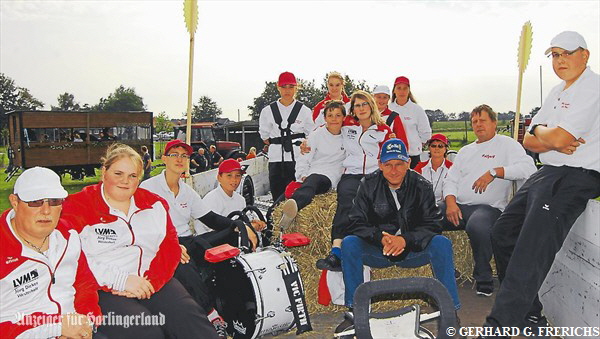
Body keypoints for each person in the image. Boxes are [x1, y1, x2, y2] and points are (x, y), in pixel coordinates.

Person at [480, 31, 600, 335]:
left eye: (567, 53)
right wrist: (553, 138)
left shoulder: (593, 87)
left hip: (577, 175)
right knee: (503, 232)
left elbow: (549, 136)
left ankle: (500, 325)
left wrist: (549, 135)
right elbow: (529, 139)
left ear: (585, 55)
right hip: (549, 172)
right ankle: (529, 314)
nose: (560, 61)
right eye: (555, 55)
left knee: (530, 249)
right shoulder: (558, 91)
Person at [62, 143, 220, 339]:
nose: (125, 181)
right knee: (145, 330)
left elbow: (169, 248)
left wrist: (150, 282)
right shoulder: (78, 206)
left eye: (132, 176)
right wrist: (120, 281)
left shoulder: (154, 204)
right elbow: (70, 256)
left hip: (150, 280)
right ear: (104, 172)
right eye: (118, 173)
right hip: (100, 287)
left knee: (190, 319)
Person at [335, 139, 460, 335]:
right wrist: (380, 238)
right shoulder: (367, 184)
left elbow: (434, 223)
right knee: (350, 243)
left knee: (441, 243)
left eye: (399, 164)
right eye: (388, 165)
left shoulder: (422, 185)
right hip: (379, 250)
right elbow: (355, 221)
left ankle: (450, 311)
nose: (394, 170)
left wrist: (406, 240)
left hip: (412, 251)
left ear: (408, 163)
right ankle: (354, 311)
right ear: (380, 165)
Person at [139, 141, 255, 336]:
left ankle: (243, 305)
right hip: (161, 243)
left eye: (184, 156)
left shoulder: (187, 191)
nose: (179, 159)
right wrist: (170, 245)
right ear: (164, 159)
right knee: (185, 266)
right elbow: (141, 224)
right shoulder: (148, 187)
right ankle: (211, 315)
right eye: (174, 154)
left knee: (231, 238)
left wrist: (241, 226)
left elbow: (210, 218)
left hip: (188, 240)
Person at [441, 104, 537, 297]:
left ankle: (484, 277)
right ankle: (435, 273)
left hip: (488, 208)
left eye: (482, 120)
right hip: (458, 206)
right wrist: (450, 202)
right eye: (474, 122)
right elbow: (450, 180)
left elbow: (529, 169)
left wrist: (496, 172)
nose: (478, 125)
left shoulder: (507, 145)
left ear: (494, 123)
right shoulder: (465, 151)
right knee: (427, 216)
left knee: (478, 226)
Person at [0, 167, 101, 339]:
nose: (46, 211)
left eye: (54, 201)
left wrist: (86, 323)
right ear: (14, 202)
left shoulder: (68, 236)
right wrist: (57, 328)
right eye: (35, 202)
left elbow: (85, 286)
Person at [315, 91, 392, 271]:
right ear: (353, 109)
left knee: (374, 207)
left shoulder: (384, 130)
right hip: (351, 173)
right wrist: (306, 144)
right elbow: (323, 128)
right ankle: (336, 252)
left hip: (374, 175)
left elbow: (389, 155)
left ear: (371, 105)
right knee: (346, 204)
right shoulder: (347, 125)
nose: (361, 108)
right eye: (357, 105)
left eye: (364, 104)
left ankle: (373, 249)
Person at [278, 100, 347, 222]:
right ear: (325, 118)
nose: (334, 119)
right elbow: (304, 157)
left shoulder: (348, 136)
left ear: (343, 117)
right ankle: (279, 215)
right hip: (312, 173)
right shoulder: (317, 134)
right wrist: (302, 175)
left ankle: (295, 206)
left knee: (314, 180)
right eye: (330, 115)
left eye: (338, 115)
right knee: (278, 203)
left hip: (330, 177)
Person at [259, 71, 314, 201]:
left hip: (297, 159)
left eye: (291, 87)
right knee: (278, 196)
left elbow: (310, 135)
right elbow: (264, 136)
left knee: (297, 196)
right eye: (284, 87)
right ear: (278, 87)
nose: (287, 91)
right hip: (276, 159)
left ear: (296, 88)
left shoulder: (304, 111)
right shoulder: (267, 111)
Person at [200, 159, 265, 240]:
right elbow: (211, 231)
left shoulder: (240, 199)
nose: (234, 180)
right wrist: (245, 228)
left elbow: (244, 220)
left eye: (237, 176)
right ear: (219, 177)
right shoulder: (211, 200)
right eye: (229, 175)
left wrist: (254, 223)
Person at [389, 76, 432, 169]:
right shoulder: (388, 108)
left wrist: (416, 145)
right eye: (399, 88)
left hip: (412, 155)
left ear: (409, 91)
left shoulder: (417, 109)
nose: (402, 91)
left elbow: (426, 133)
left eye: (405, 88)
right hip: (391, 155)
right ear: (394, 91)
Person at [414, 133, 453, 205]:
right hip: (423, 206)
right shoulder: (420, 167)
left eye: (440, 146)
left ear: (445, 149)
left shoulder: (452, 168)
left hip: (445, 206)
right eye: (433, 146)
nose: (436, 148)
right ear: (429, 148)